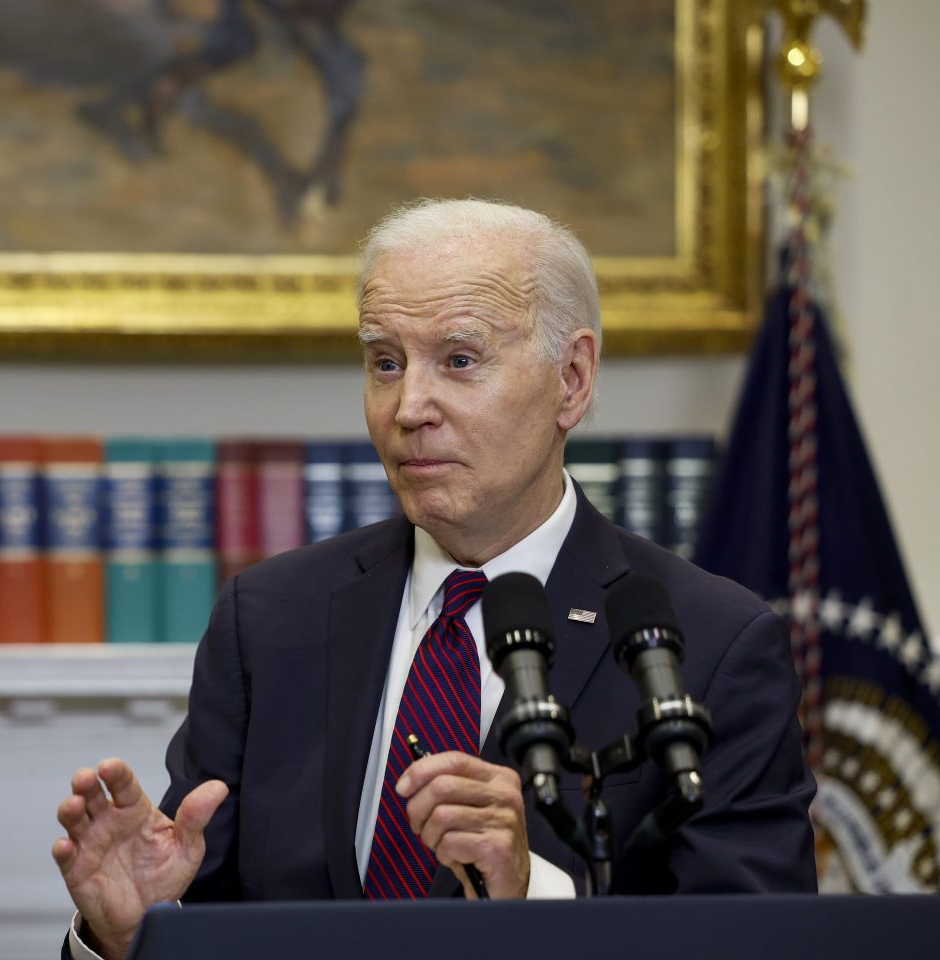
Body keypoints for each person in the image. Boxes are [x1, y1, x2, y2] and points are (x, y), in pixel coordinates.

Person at [51, 199, 817, 959]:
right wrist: (128, 939)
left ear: (572, 380)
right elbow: (205, 913)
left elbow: (761, 946)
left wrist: (534, 895)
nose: (409, 407)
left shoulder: (711, 645)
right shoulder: (270, 618)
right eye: (386, 362)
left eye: (459, 360)